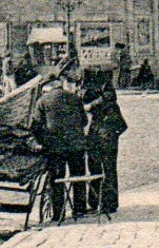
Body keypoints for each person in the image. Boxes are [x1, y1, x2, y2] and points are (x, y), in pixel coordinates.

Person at [31, 71, 90, 220]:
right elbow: (84, 121)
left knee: (56, 179)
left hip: (55, 147)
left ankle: (58, 213)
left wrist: (42, 142)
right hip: (77, 145)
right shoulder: (75, 98)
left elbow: (36, 126)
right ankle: (80, 209)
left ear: (47, 87)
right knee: (79, 176)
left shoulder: (43, 101)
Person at [83, 72, 128, 214]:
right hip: (104, 134)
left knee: (105, 169)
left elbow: (106, 98)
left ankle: (106, 203)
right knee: (102, 168)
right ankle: (101, 203)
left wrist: (90, 105)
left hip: (104, 134)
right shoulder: (105, 95)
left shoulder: (105, 97)